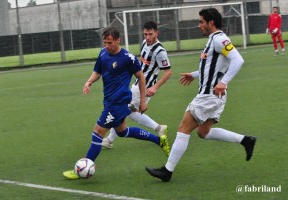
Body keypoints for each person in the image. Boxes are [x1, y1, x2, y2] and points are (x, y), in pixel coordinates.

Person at [145, 8, 257, 182]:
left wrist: (224, 82)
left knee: (183, 128)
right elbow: (212, 66)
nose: (199, 26)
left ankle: (167, 171)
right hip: (215, 97)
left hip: (208, 95)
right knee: (203, 132)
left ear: (211, 23)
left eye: (201, 22)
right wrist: (194, 74)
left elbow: (238, 60)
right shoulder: (213, 40)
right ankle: (245, 140)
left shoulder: (219, 39)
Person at [63, 27, 170, 179]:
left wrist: (143, 101)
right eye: (105, 42)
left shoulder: (128, 58)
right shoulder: (103, 54)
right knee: (122, 131)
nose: (107, 46)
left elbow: (141, 77)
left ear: (118, 40)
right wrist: (89, 82)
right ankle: (159, 140)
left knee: (98, 132)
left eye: (110, 43)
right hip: (109, 101)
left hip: (118, 103)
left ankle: (82, 169)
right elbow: (97, 71)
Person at [102, 21, 172, 149]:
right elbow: (142, 64)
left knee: (123, 110)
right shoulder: (145, 43)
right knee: (128, 111)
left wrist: (155, 87)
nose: (147, 37)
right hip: (137, 83)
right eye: (145, 34)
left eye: (150, 34)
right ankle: (159, 128)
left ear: (156, 33)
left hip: (145, 86)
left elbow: (168, 72)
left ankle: (109, 140)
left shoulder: (160, 51)